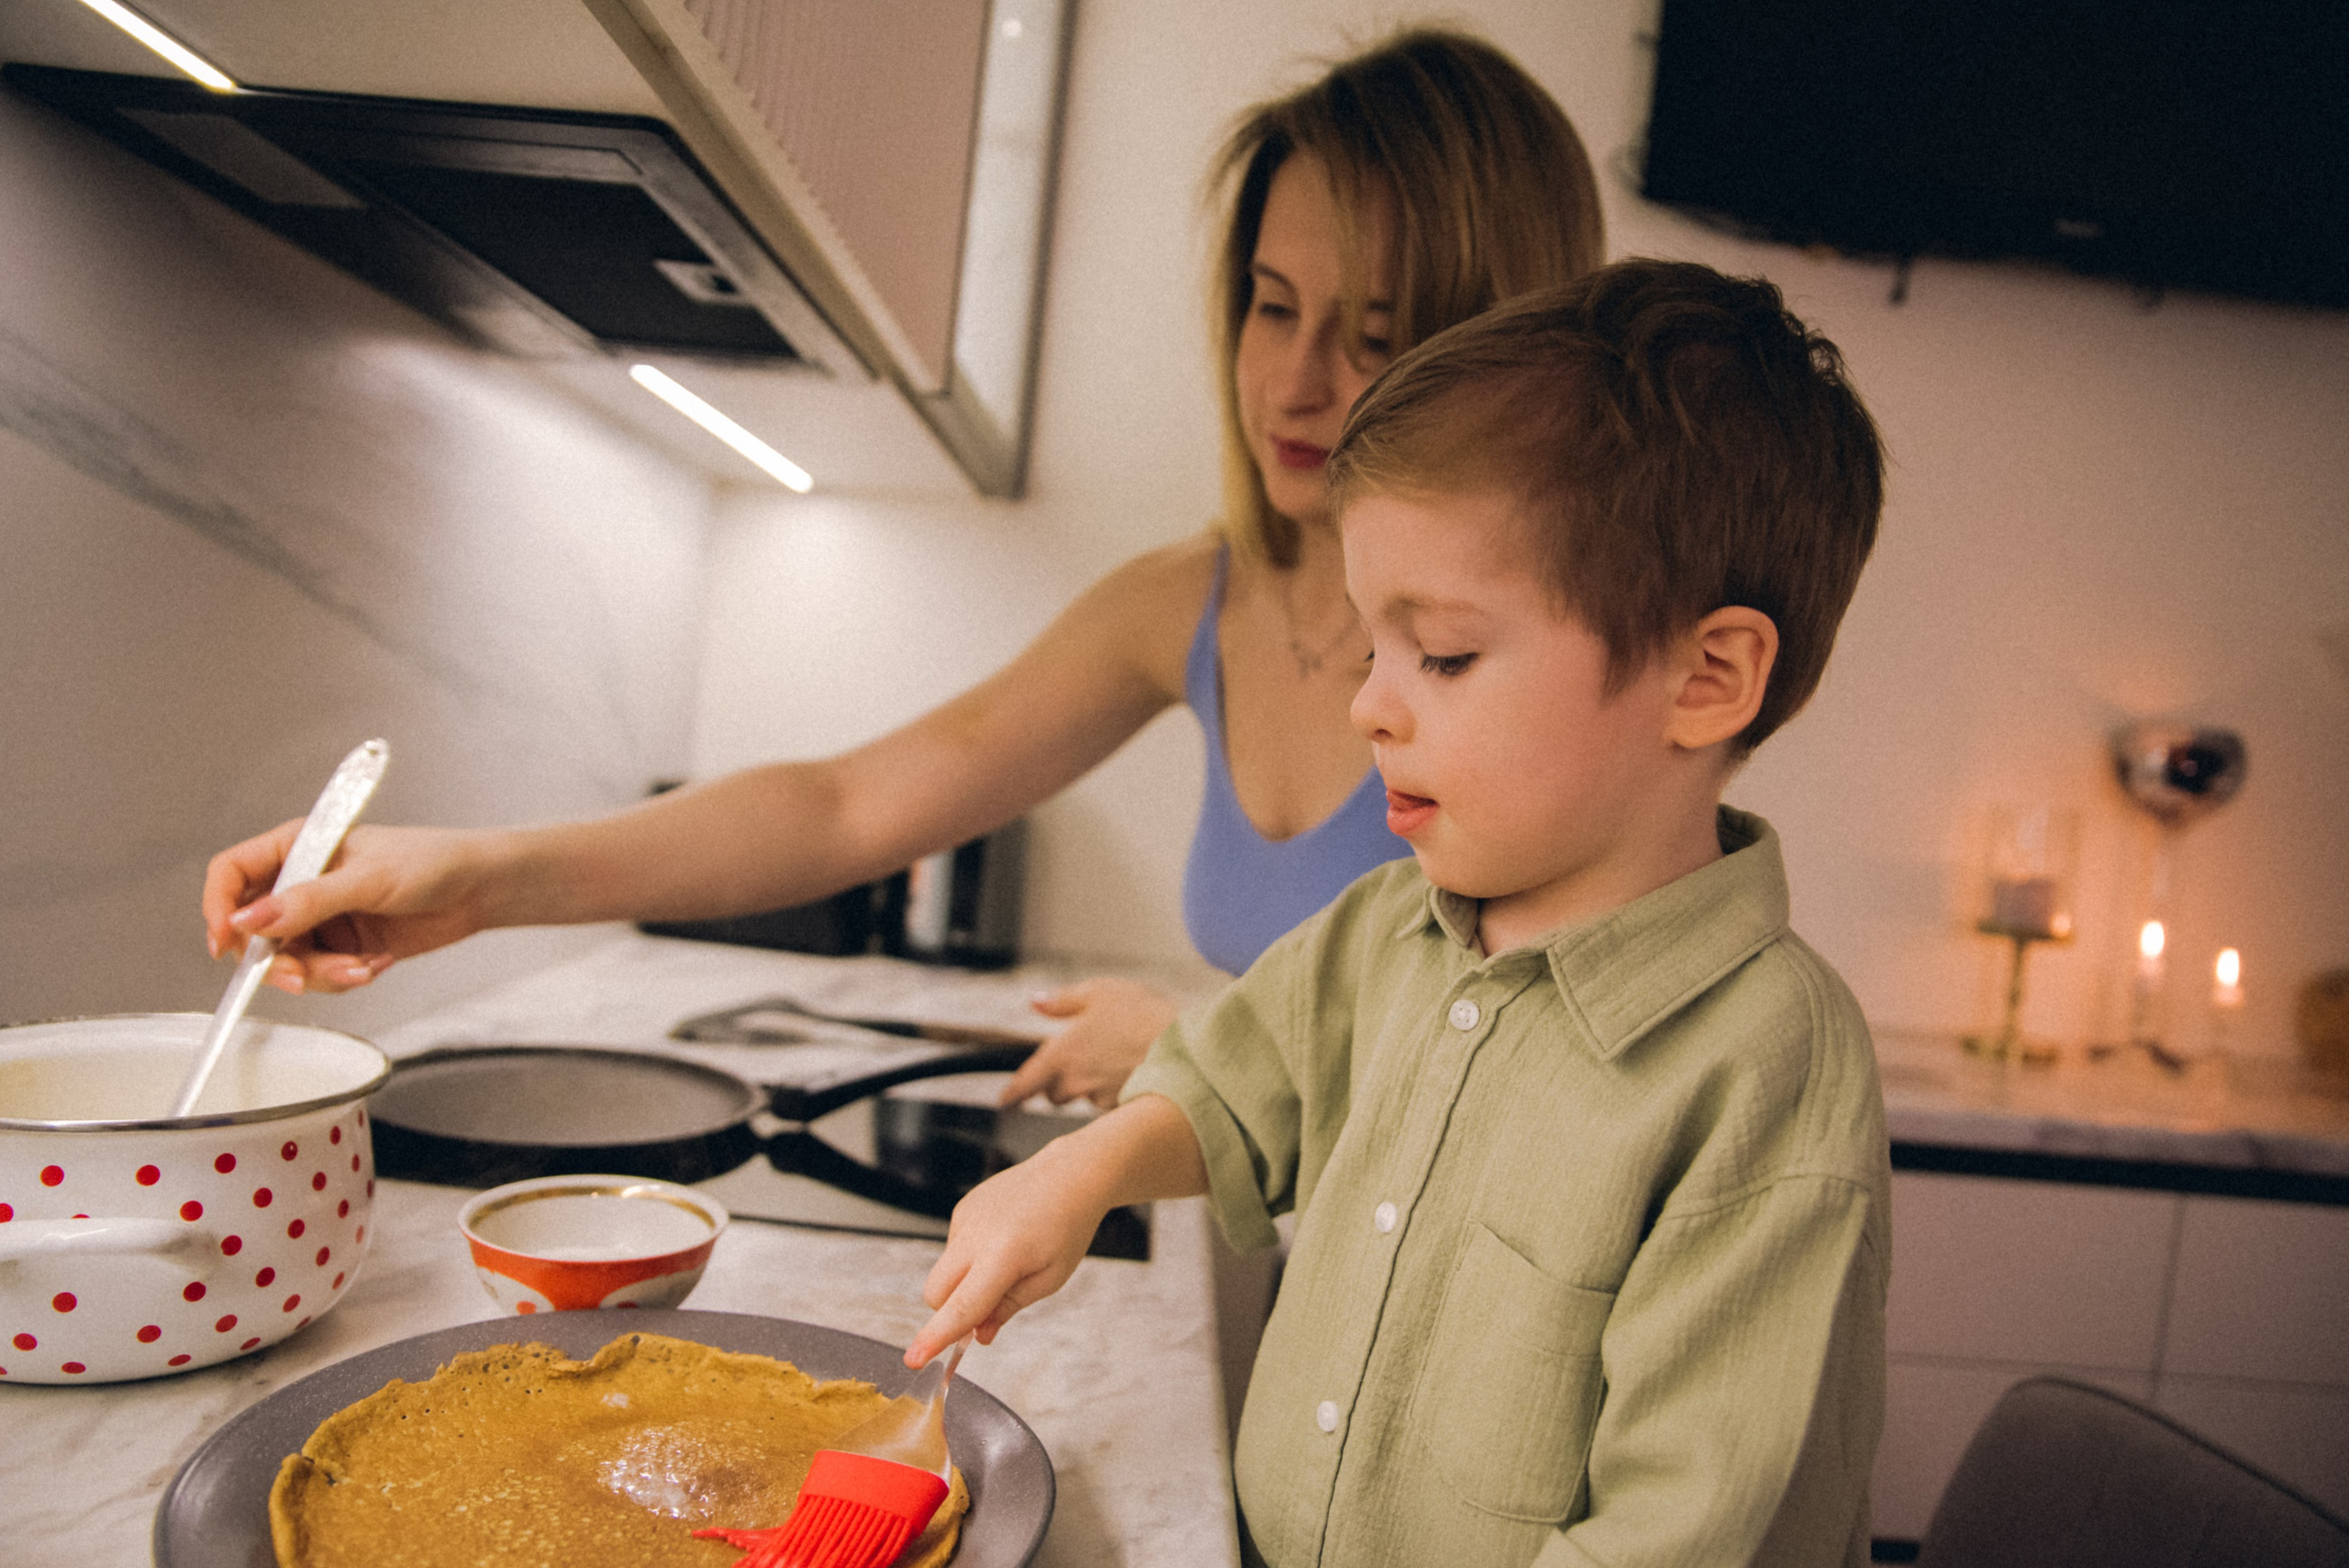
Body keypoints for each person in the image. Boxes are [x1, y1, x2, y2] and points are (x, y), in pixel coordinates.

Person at [199, 27, 1606, 1109]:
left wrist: (1199, 1046)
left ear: (1492, 349)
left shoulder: (1568, 659)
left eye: (1370, 332)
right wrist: (480, 872)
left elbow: (1550, 1087)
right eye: (1270, 304)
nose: (1294, 382)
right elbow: (846, 803)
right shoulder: (1196, 601)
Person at [905, 258, 1893, 1567]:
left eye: (1445, 653)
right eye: (1375, 645)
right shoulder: (1395, 929)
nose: (1372, 701)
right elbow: (1230, 1083)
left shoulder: (1767, 1070)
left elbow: (1674, 1526)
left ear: (1706, 677)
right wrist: (1078, 1176)